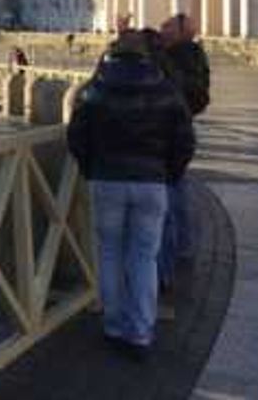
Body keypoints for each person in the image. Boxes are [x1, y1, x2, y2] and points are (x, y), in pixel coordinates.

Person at [67, 30, 194, 360]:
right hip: (152, 181)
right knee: (144, 257)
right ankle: (139, 331)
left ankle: (112, 325)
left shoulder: (97, 89)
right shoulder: (165, 89)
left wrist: (89, 168)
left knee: (109, 252)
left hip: (107, 179)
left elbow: (77, 134)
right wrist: (169, 173)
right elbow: (184, 139)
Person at [157, 13, 211, 285]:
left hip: (172, 134)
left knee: (170, 201)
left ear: (181, 32)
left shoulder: (181, 58)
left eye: (167, 25)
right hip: (178, 133)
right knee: (177, 191)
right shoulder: (186, 55)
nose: (161, 28)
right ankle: (183, 247)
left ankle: (173, 259)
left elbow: (192, 94)